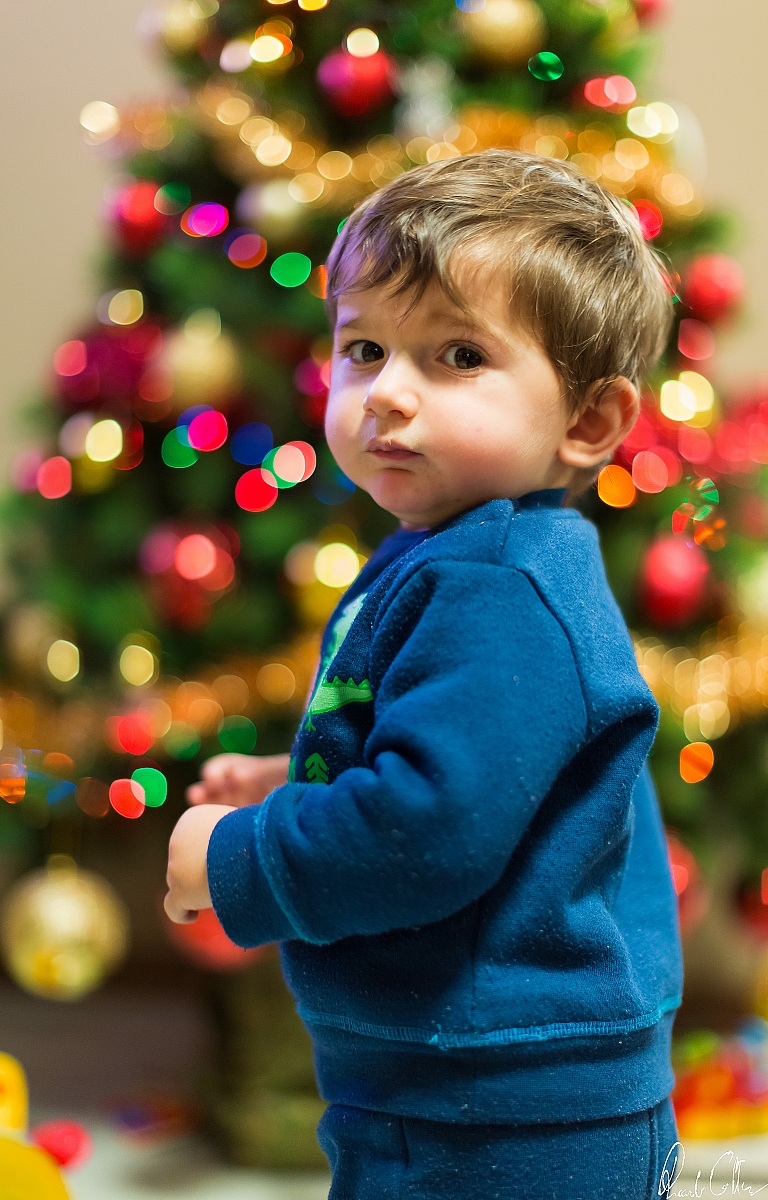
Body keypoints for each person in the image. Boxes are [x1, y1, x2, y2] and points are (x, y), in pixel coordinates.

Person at [165, 149, 684, 1199]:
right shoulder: (450, 555)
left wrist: (232, 860)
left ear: (586, 421)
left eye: (455, 355)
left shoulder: (496, 588)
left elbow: (425, 831)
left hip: (502, 1112)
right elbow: (448, 760)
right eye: (363, 347)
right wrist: (290, 777)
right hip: (449, 1076)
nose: (386, 394)